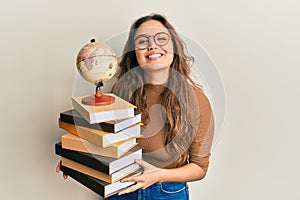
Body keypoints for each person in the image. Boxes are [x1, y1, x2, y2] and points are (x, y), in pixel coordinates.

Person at [57, 13, 214, 200]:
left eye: (162, 38)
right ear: (134, 53)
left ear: (175, 47)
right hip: (120, 188)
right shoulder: (121, 91)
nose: (153, 45)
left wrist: (157, 175)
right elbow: (104, 142)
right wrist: (77, 161)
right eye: (142, 41)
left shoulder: (196, 101)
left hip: (167, 193)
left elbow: (200, 168)